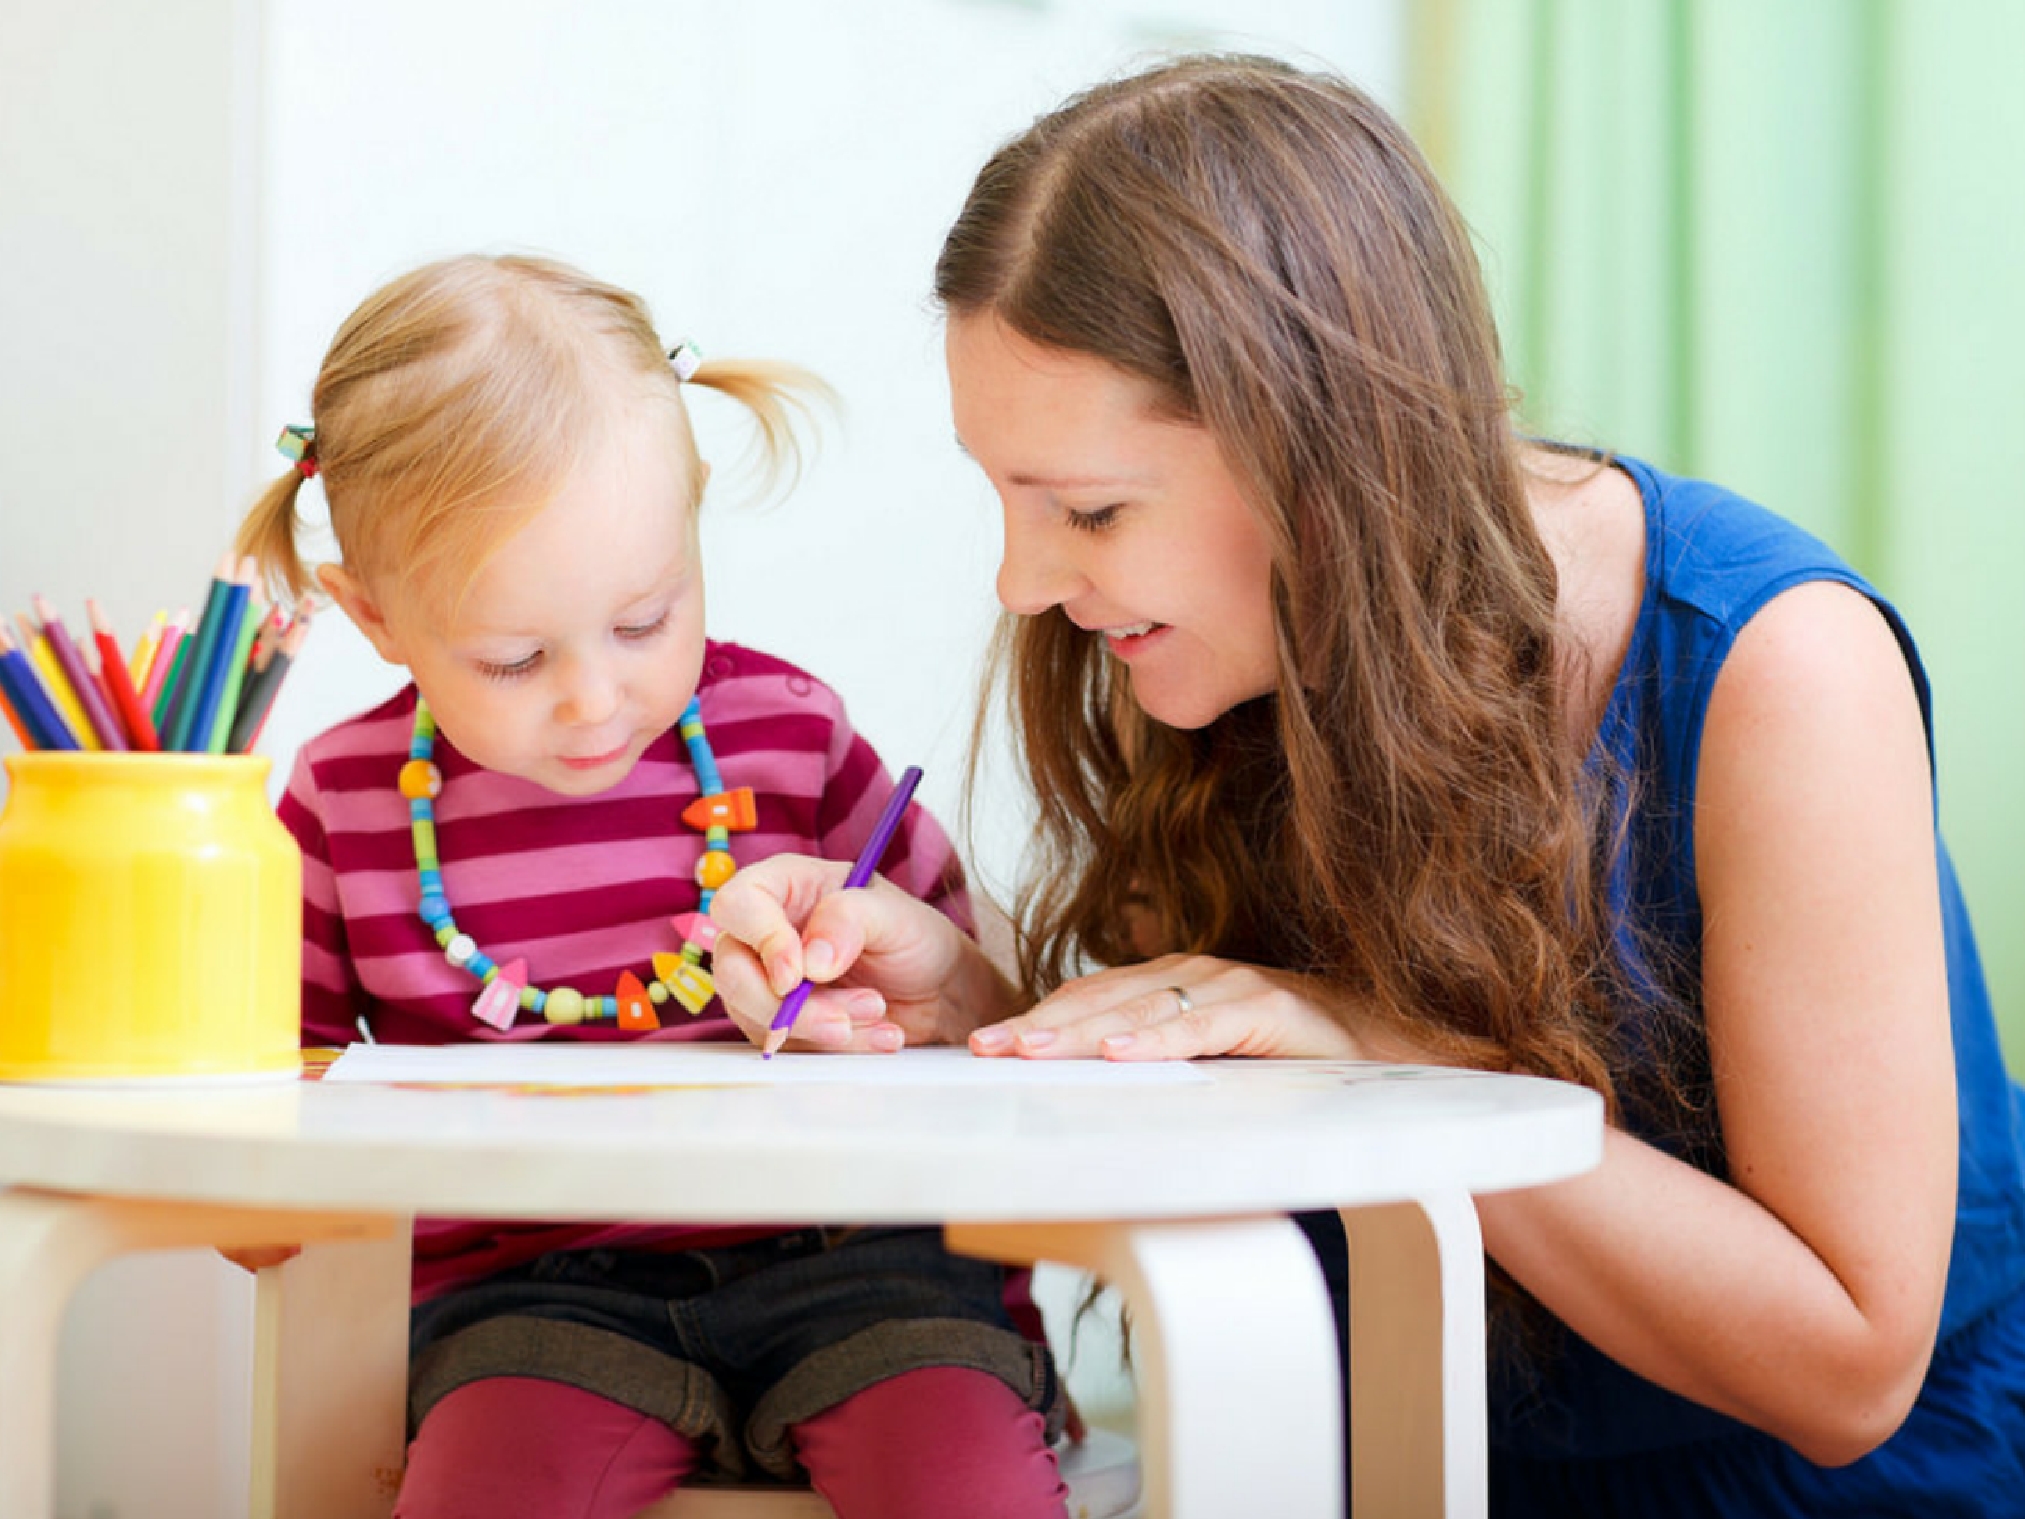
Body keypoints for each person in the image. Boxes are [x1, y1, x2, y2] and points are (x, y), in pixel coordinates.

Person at [707, 53, 2025, 1516]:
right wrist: (975, 999)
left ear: (1317, 458)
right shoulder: (1224, 652)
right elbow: (1248, 1059)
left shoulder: (1776, 667)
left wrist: (1378, 1053)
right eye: (1003, 493)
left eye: (1086, 508)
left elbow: (1846, 1368)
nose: (1022, 580)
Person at [233, 253, 1069, 1519]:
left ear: (691, 523)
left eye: (644, 621)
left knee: (968, 1489)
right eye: (512, 657)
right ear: (373, 615)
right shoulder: (344, 807)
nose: (593, 697)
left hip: (866, 1264)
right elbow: (265, 1086)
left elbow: (993, 1017)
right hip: (529, 1303)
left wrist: (888, 990)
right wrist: (260, 1180)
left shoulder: (789, 738)